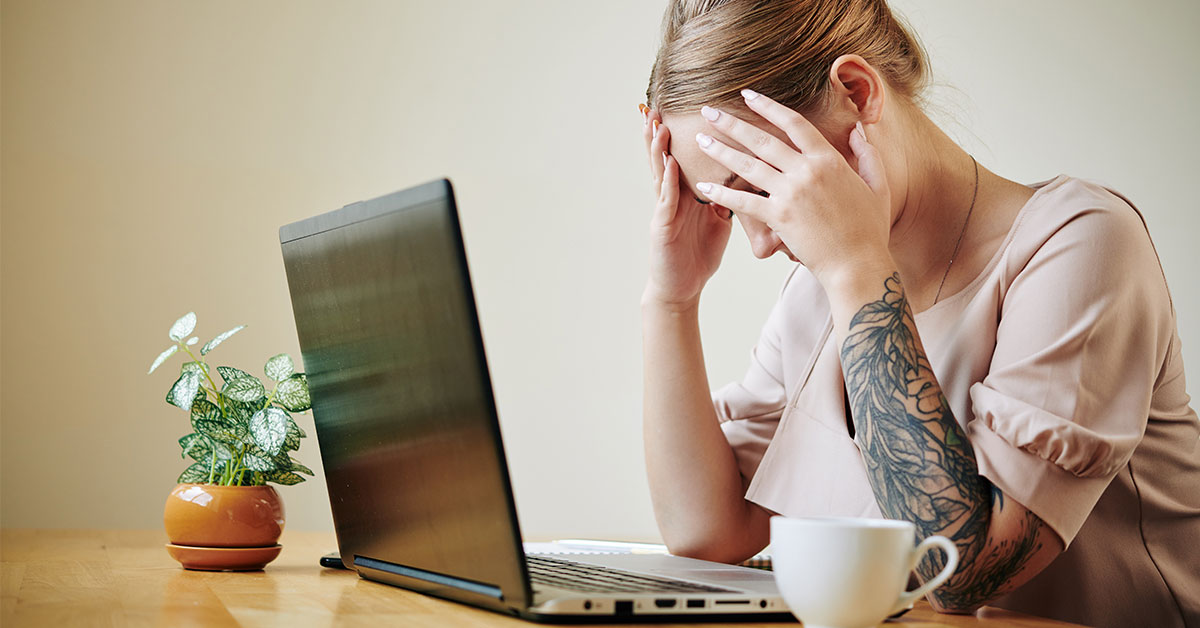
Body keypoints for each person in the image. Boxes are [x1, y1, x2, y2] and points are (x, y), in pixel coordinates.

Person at [635, 1, 1200, 626]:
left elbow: (962, 574)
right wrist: (672, 298)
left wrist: (854, 269)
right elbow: (708, 532)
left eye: (758, 188)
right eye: (722, 203)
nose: (761, 243)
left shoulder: (1082, 243)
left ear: (856, 93)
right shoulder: (818, 291)